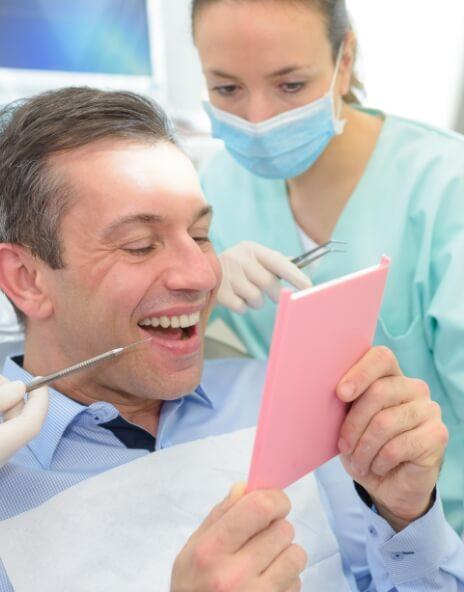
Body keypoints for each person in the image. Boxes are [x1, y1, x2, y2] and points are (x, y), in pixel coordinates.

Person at [0, 87, 463, 591]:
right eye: (140, 246)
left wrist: (405, 515)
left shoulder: (275, 396)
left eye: (201, 236)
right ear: (26, 278)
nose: (201, 275)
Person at [193, 0, 464, 533]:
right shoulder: (216, 188)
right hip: (320, 533)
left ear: (345, 61)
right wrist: (202, 289)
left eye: (290, 85)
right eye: (227, 89)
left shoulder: (444, 188)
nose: (257, 118)